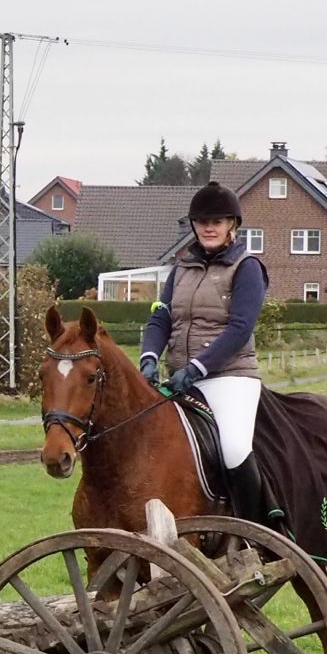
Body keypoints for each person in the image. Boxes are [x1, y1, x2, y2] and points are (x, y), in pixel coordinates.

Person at [140, 183, 272, 523]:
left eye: (217, 221)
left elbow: (239, 329)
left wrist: (197, 367)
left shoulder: (247, 268)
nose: (209, 228)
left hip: (230, 377)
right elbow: (161, 318)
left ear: (232, 225)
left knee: (234, 449)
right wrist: (149, 358)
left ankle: (253, 529)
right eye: (202, 222)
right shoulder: (181, 269)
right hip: (181, 379)